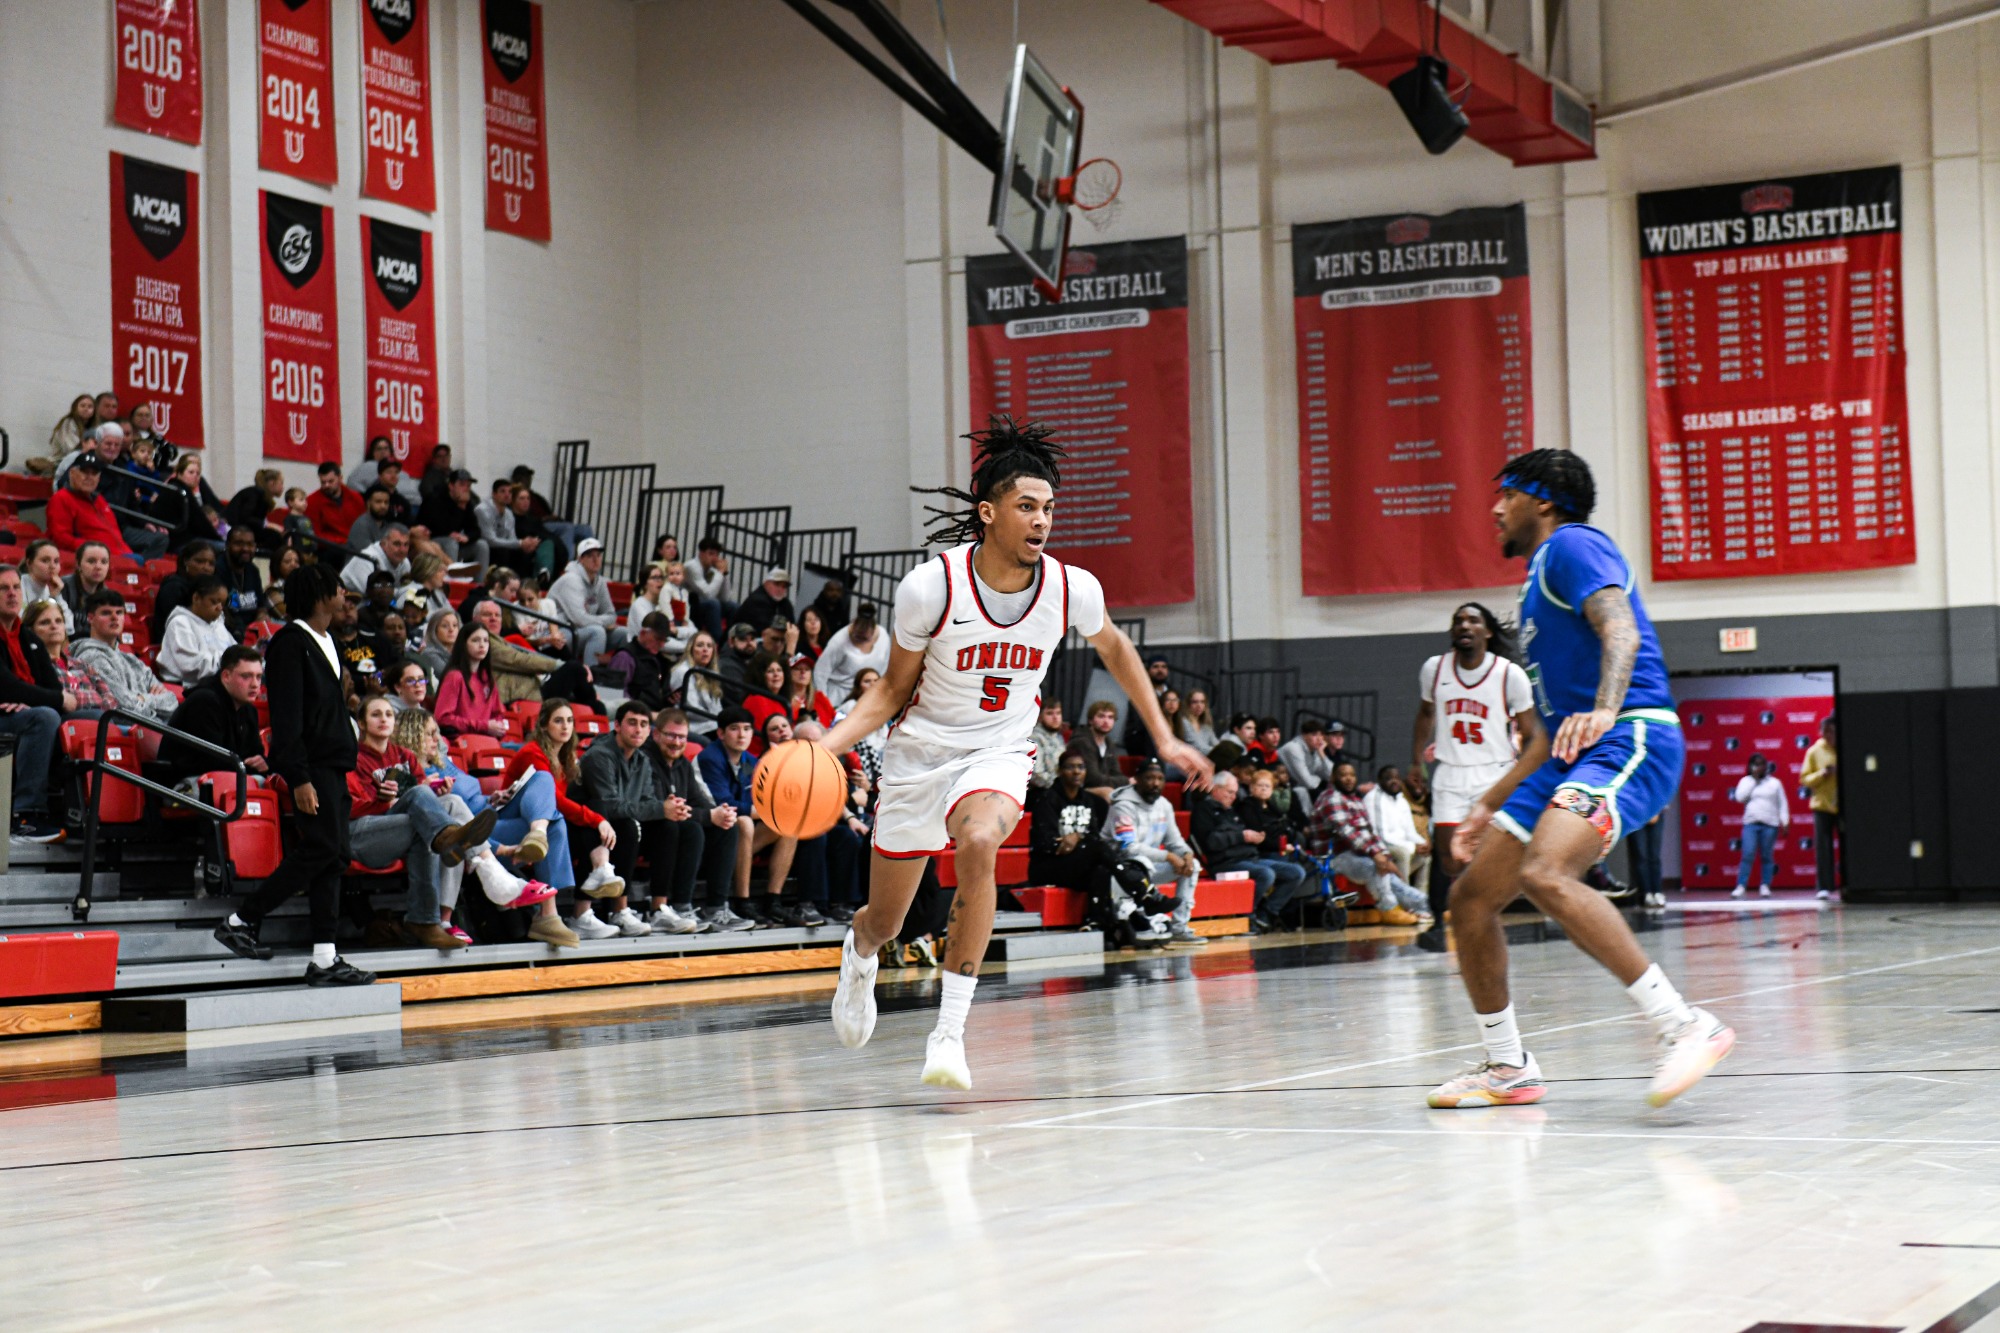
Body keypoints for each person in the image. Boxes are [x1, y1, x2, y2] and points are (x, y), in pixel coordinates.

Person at [819, 419, 1212, 1090]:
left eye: (1049, 508)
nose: (1041, 520)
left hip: (998, 750)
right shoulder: (930, 588)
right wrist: (824, 745)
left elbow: (1115, 647)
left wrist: (1167, 734)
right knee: (884, 919)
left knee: (978, 841)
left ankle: (948, 1034)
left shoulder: (1069, 588)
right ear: (989, 512)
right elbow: (889, 691)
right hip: (919, 755)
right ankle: (860, 955)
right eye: (1027, 506)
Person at [1428, 449, 1731, 1111]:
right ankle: (1509, 1066)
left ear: (1541, 499)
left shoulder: (1573, 544)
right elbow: (1543, 734)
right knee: (1471, 901)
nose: (1493, 508)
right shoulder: (1537, 580)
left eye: (1504, 494)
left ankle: (1685, 1025)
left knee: (1546, 872)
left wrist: (1605, 705)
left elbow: (1619, 627)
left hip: (1631, 732)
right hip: (1567, 751)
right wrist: (1489, 802)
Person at [211, 565, 371, 983]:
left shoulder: (329, 641)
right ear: (320, 593)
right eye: (338, 588)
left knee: (334, 857)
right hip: (311, 767)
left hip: (334, 765)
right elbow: (286, 719)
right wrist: (298, 777)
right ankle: (242, 919)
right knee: (320, 848)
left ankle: (324, 956)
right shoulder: (288, 643)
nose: (345, 595)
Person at [1410, 602, 1536, 949]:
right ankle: (1438, 923)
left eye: (1473, 620)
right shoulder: (1434, 670)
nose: (1464, 625)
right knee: (1448, 855)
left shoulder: (1509, 675)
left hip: (1495, 773)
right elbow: (1424, 714)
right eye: (1458, 620)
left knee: (1491, 852)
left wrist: (1525, 777)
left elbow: (1531, 731)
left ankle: (1484, 914)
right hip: (1451, 771)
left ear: (1488, 631)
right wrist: (1415, 761)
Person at [347, 695, 506, 949]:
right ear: (362, 724)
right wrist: (380, 801)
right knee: (424, 804)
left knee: (450, 802)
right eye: (376, 715)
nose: (384, 719)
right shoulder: (351, 758)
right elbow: (347, 807)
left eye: (389, 714)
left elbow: (424, 800)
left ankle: (431, 921)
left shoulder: (405, 756)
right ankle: (468, 854)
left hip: (400, 827)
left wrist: (435, 796)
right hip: (365, 833)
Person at [500, 699, 630, 937]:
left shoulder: (565, 757)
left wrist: (597, 817)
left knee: (600, 824)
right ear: (544, 726)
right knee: (574, 824)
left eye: (569, 721)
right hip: (516, 820)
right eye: (558, 721)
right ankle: (587, 890)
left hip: (544, 820)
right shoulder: (533, 753)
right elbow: (553, 801)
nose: (565, 726)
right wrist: (597, 819)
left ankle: (595, 884)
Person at [581, 702, 707, 935]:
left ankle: (660, 908)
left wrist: (668, 807)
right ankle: (619, 912)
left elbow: (648, 801)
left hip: (626, 824)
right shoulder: (599, 756)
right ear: (617, 725)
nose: (638, 730)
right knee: (630, 827)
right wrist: (661, 808)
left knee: (670, 827)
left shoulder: (642, 760)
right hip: (595, 828)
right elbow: (609, 806)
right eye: (632, 723)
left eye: (643, 724)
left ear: (649, 730)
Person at [697, 705, 811, 927]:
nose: (742, 735)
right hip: (710, 831)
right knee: (745, 821)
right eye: (734, 729)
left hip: (738, 836)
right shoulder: (710, 758)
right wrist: (759, 810)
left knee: (788, 824)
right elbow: (724, 802)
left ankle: (773, 901)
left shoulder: (750, 761)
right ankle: (743, 901)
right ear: (720, 733)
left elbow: (765, 797)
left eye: (747, 729)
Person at [645, 707, 747, 933]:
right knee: (692, 828)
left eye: (681, 737)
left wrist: (719, 812)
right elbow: (664, 808)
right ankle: (681, 906)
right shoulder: (646, 759)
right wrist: (709, 815)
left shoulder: (682, 764)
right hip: (651, 830)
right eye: (670, 735)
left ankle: (717, 908)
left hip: (677, 828)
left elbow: (698, 800)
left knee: (728, 827)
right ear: (656, 734)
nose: (676, 742)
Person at [1309, 760, 1430, 924]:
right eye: (1343, 775)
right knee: (1374, 867)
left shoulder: (1355, 799)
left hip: (1356, 854)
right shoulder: (1331, 798)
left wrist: (1384, 855)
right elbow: (1348, 833)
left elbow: (1370, 833)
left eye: (1352, 775)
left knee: (1387, 871)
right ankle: (1389, 909)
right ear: (1333, 778)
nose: (1349, 779)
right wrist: (1376, 855)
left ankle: (1427, 906)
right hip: (1333, 857)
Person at [1102, 759, 1204, 946]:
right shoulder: (1122, 805)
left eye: (1159, 778)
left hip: (1148, 870)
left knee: (1193, 866)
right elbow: (1129, 848)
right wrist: (1169, 856)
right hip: (1120, 873)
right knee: (1141, 860)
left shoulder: (1164, 805)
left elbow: (1174, 841)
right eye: (1149, 778)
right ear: (1137, 780)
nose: (1155, 783)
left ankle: (1180, 928)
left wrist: (1186, 854)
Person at [1187, 771, 1302, 933]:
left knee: (1296, 872)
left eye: (1235, 793)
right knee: (1266, 874)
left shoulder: (1231, 811)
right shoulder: (1203, 810)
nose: (1233, 797)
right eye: (1230, 792)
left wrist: (1256, 838)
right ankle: (1247, 914)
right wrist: (1242, 836)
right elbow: (1211, 842)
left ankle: (1267, 912)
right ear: (1216, 789)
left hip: (1249, 858)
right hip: (1224, 863)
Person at [161, 645, 268, 780]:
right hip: (185, 784)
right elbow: (213, 762)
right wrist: (251, 767)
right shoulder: (204, 702)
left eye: (258, 677)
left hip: (228, 778)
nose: (255, 684)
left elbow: (255, 753)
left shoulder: (248, 709)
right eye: (246, 676)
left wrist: (262, 762)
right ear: (226, 676)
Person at [73, 591, 178, 720]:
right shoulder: (90, 657)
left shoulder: (132, 660)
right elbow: (123, 708)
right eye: (106, 613)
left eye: (119, 612)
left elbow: (172, 701)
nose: (114, 617)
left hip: (151, 725)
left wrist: (143, 699)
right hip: (128, 728)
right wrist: (154, 703)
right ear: (90, 618)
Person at [1027, 750, 1110, 894]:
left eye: (1081, 767)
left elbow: (1094, 836)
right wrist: (1077, 844)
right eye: (1070, 767)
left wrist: (1078, 837)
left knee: (1101, 871)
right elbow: (1047, 844)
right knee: (1099, 850)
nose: (1076, 771)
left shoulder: (1089, 800)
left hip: (1076, 862)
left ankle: (1097, 917)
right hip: (1048, 866)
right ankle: (1141, 890)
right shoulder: (1047, 799)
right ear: (1059, 771)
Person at [48, 455, 162, 560]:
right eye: (85, 472)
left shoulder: (99, 500)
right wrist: (97, 550)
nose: (89, 477)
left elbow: (115, 534)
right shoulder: (61, 498)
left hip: (121, 555)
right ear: (72, 473)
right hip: (99, 559)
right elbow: (61, 539)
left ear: (99, 478)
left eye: (94, 474)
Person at [26, 599, 111, 718]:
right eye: (45, 622)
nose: (54, 626)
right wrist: (92, 697)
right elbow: (54, 699)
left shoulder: (81, 664)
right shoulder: (32, 665)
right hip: (62, 724)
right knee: (97, 716)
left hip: (98, 720)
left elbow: (110, 698)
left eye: (59, 621)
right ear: (30, 631)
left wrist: (73, 698)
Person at [548, 538, 624, 666]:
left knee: (625, 634)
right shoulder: (571, 580)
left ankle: (617, 677)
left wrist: (604, 621)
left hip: (581, 631)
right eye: (589, 556)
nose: (595, 559)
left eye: (598, 555)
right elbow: (580, 619)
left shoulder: (599, 581)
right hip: (559, 633)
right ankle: (590, 678)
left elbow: (612, 614)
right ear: (580, 559)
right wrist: (604, 623)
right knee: (597, 631)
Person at [434, 623, 509, 739]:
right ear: (463, 644)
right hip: (463, 742)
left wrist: (498, 726)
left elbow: (498, 713)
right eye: (475, 640)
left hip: (487, 741)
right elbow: (443, 718)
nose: (482, 645)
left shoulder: (488, 678)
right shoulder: (455, 677)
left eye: (486, 641)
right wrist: (484, 726)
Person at [1730, 752, 1789, 899]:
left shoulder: (1774, 783)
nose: (1759, 767)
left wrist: (1785, 821)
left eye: (1762, 764)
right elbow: (1739, 798)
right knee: (1748, 854)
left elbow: (1782, 804)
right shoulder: (1746, 781)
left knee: (1767, 856)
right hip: (1751, 823)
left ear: (1766, 766)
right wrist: (1754, 781)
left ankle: (1765, 885)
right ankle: (1741, 886)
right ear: (1750, 766)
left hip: (1770, 824)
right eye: (1756, 764)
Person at [1364, 765, 1430, 894]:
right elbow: (1382, 836)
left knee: (1425, 857)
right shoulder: (1374, 798)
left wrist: (1422, 843)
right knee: (1403, 853)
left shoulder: (1401, 800)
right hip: (1379, 848)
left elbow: (1409, 831)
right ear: (1380, 781)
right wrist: (1412, 846)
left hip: (1400, 845)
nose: (1394, 781)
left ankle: (1420, 900)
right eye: (1389, 778)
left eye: (1397, 778)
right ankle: (1405, 900)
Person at [813, 601, 889, 704]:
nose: (860, 640)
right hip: (839, 696)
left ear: (873, 631)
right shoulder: (839, 641)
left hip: (869, 696)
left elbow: (885, 667)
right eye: (858, 636)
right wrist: (823, 702)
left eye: (865, 638)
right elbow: (820, 672)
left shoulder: (883, 637)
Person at [415, 468, 489, 572]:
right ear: (451, 486)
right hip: (430, 543)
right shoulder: (435, 499)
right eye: (462, 485)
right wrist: (460, 509)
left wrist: (467, 537)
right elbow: (438, 528)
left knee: (482, 545)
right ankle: (451, 582)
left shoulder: (465, 502)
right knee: (451, 543)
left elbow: (476, 530)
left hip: (453, 545)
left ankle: (478, 586)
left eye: (468, 486)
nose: (466, 489)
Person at [1800, 715, 1839, 900]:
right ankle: (1824, 886)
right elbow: (1804, 779)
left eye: (1832, 731)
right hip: (1821, 805)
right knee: (1823, 847)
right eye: (1825, 731)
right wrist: (1822, 773)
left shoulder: (1845, 746)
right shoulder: (1813, 751)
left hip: (1842, 805)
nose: (1828, 735)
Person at [1062, 699, 1127, 800]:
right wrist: (1125, 781)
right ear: (1090, 720)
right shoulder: (1082, 742)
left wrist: (1122, 781)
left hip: (1101, 787)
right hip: (1077, 789)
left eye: (1110, 717)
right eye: (1101, 716)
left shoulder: (1109, 743)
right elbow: (1092, 779)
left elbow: (1117, 773)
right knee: (1108, 793)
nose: (1106, 721)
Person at [149, 541, 216, 638]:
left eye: (211, 564)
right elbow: (175, 626)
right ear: (186, 561)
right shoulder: (173, 587)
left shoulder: (211, 589)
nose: (206, 568)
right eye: (199, 561)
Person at [672, 630, 724, 737]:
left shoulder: (711, 673)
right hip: (692, 728)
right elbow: (691, 710)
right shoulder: (682, 671)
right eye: (700, 645)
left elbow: (717, 708)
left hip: (712, 726)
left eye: (709, 646)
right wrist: (719, 718)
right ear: (691, 650)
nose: (705, 649)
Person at [304, 462, 365, 548]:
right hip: (330, 548)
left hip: (355, 544)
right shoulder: (312, 502)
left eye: (331, 481)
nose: (326, 485)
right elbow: (315, 535)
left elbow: (363, 525)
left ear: (340, 478)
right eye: (323, 482)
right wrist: (341, 541)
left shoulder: (355, 497)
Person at [34, 394, 97, 476]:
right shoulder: (68, 423)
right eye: (82, 406)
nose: (86, 409)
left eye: (90, 407)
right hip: (60, 464)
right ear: (75, 408)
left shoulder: (92, 428)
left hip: (79, 463)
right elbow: (71, 450)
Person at [219, 527, 266, 637]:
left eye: (250, 544)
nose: (245, 548)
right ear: (227, 545)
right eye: (239, 544)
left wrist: (262, 616)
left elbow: (260, 605)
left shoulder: (252, 570)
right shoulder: (218, 568)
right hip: (227, 630)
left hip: (252, 629)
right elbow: (221, 607)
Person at [341, 523, 412, 595]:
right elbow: (375, 595)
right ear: (383, 543)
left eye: (406, 544)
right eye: (397, 544)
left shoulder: (404, 562)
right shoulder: (367, 558)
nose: (402, 550)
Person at [1275, 718, 1336, 801]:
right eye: (1314, 735)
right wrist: (1319, 779)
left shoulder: (1316, 751)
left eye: (1321, 735)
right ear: (1304, 735)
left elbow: (1332, 776)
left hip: (1295, 787)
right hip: (1279, 786)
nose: (1319, 739)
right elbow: (1307, 782)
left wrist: (1322, 753)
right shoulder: (1294, 748)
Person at [684, 536, 734, 638]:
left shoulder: (713, 570)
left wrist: (725, 574)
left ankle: (729, 639)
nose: (715, 558)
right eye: (711, 554)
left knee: (733, 606)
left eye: (717, 555)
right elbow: (708, 595)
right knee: (713, 604)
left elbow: (725, 598)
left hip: (706, 606)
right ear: (701, 554)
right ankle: (717, 640)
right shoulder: (691, 567)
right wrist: (720, 573)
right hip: (689, 606)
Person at [60, 541, 113, 629]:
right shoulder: (63, 587)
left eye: (104, 562)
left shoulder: (107, 595)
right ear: (78, 564)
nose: (98, 567)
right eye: (91, 561)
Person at [737, 567, 795, 637]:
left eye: (784, 587)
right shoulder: (757, 601)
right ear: (766, 583)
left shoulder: (785, 603)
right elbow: (765, 630)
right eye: (777, 584)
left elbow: (792, 627)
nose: (780, 589)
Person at [1029, 698, 1067, 789]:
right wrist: (1063, 786)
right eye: (1049, 713)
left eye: (1058, 713)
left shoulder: (1058, 737)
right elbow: (1036, 774)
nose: (1055, 717)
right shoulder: (1034, 738)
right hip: (1042, 793)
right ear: (1040, 716)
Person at [415, 607, 459, 683]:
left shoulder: (462, 650)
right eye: (445, 626)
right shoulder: (429, 653)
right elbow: (450, 676)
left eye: (455, 625)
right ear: (434, 629)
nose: (451, 630)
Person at [1179, 688, 1219, 752]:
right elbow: (1198, 747)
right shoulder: (1184, 722)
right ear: (1188, 704)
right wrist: (1219, 751)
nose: (1199, 705)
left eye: (1202, 702)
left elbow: (1216, 743)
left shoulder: (1206, 725)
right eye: (1195, 702)